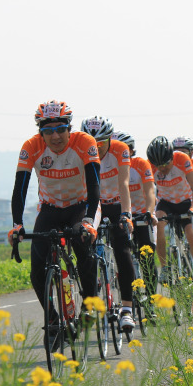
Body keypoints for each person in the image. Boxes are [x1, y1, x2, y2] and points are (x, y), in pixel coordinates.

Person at [7, 100, 100, 339]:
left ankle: (90, 303)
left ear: (69, 128)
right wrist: (17, 224)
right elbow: (20, 189)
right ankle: (52, 321)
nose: (55, 136)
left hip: (81, 205)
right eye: (48, 131)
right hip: (50, 209)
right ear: (41, 132)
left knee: (82, 243)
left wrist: (89, 220)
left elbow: (94, 187)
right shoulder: (31, 146)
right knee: (37, 268)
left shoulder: (84, 143)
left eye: (60, 129)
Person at [81, 117, 136, 332]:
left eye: (101, 143)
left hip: (115, 203)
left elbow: (124, 183)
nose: (97, 148)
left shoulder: (120, 149)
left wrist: (126, 214)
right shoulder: (80, 148)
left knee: (123, 249)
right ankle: (90, 297)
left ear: (109, 140)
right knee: (85, 243)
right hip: (94, 205)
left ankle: (127, 309)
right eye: (93, 143)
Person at [146, 136, 193, 281]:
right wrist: (149, 211)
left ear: (172, 156)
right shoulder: (150, 166)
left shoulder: (182, 159)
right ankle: (165, 268)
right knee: (158, 225)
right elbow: (149, 191)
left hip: (186, 201)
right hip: (166, 202)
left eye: (166, 164)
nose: (163, 169)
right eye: (158, 166)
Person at [112, 130, 159, 294]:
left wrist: (150, 212)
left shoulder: (140, 164)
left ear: (130, 150)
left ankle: (152, 298)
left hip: (141, 215)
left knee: (147, 256)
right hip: (121, 216)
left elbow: (151, 191)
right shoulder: (110, 167)